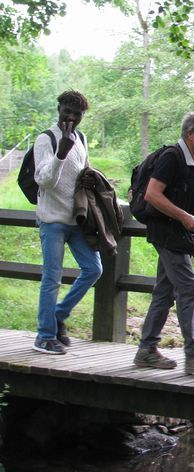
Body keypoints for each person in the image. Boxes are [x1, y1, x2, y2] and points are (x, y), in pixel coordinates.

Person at [133, 112, 194, 374]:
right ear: (190, 135)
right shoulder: (172, 157)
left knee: (164, 292)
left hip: (181, 233)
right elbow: (153, 194)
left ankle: (146, 350)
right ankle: (193, 353)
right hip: (167, 232)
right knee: (187, 288)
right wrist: (184, 216)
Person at [33, 90, 103, 354]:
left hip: (76, 220)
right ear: (59, 108)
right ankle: (44, 336)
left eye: (78, 114)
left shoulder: (81, 138)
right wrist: (61, 153)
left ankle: (58, 314)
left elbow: (84, 174)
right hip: (52, 220)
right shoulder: (46, 139)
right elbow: (44, 180)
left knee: (94, 269)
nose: (71, 117)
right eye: (67, 111)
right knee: (52, 278)